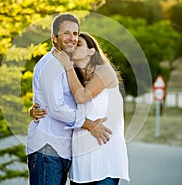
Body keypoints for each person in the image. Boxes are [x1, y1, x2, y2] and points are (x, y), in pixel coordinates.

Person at [31, 32, 130, 184]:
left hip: (105, 161)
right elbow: (59, 104)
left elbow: (81, 97)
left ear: (91, 51)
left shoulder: (105, 71)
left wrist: (68, 65)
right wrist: (34, 110)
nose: (73, 46)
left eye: (79, 44)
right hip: (80, 165)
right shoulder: (74, 79)